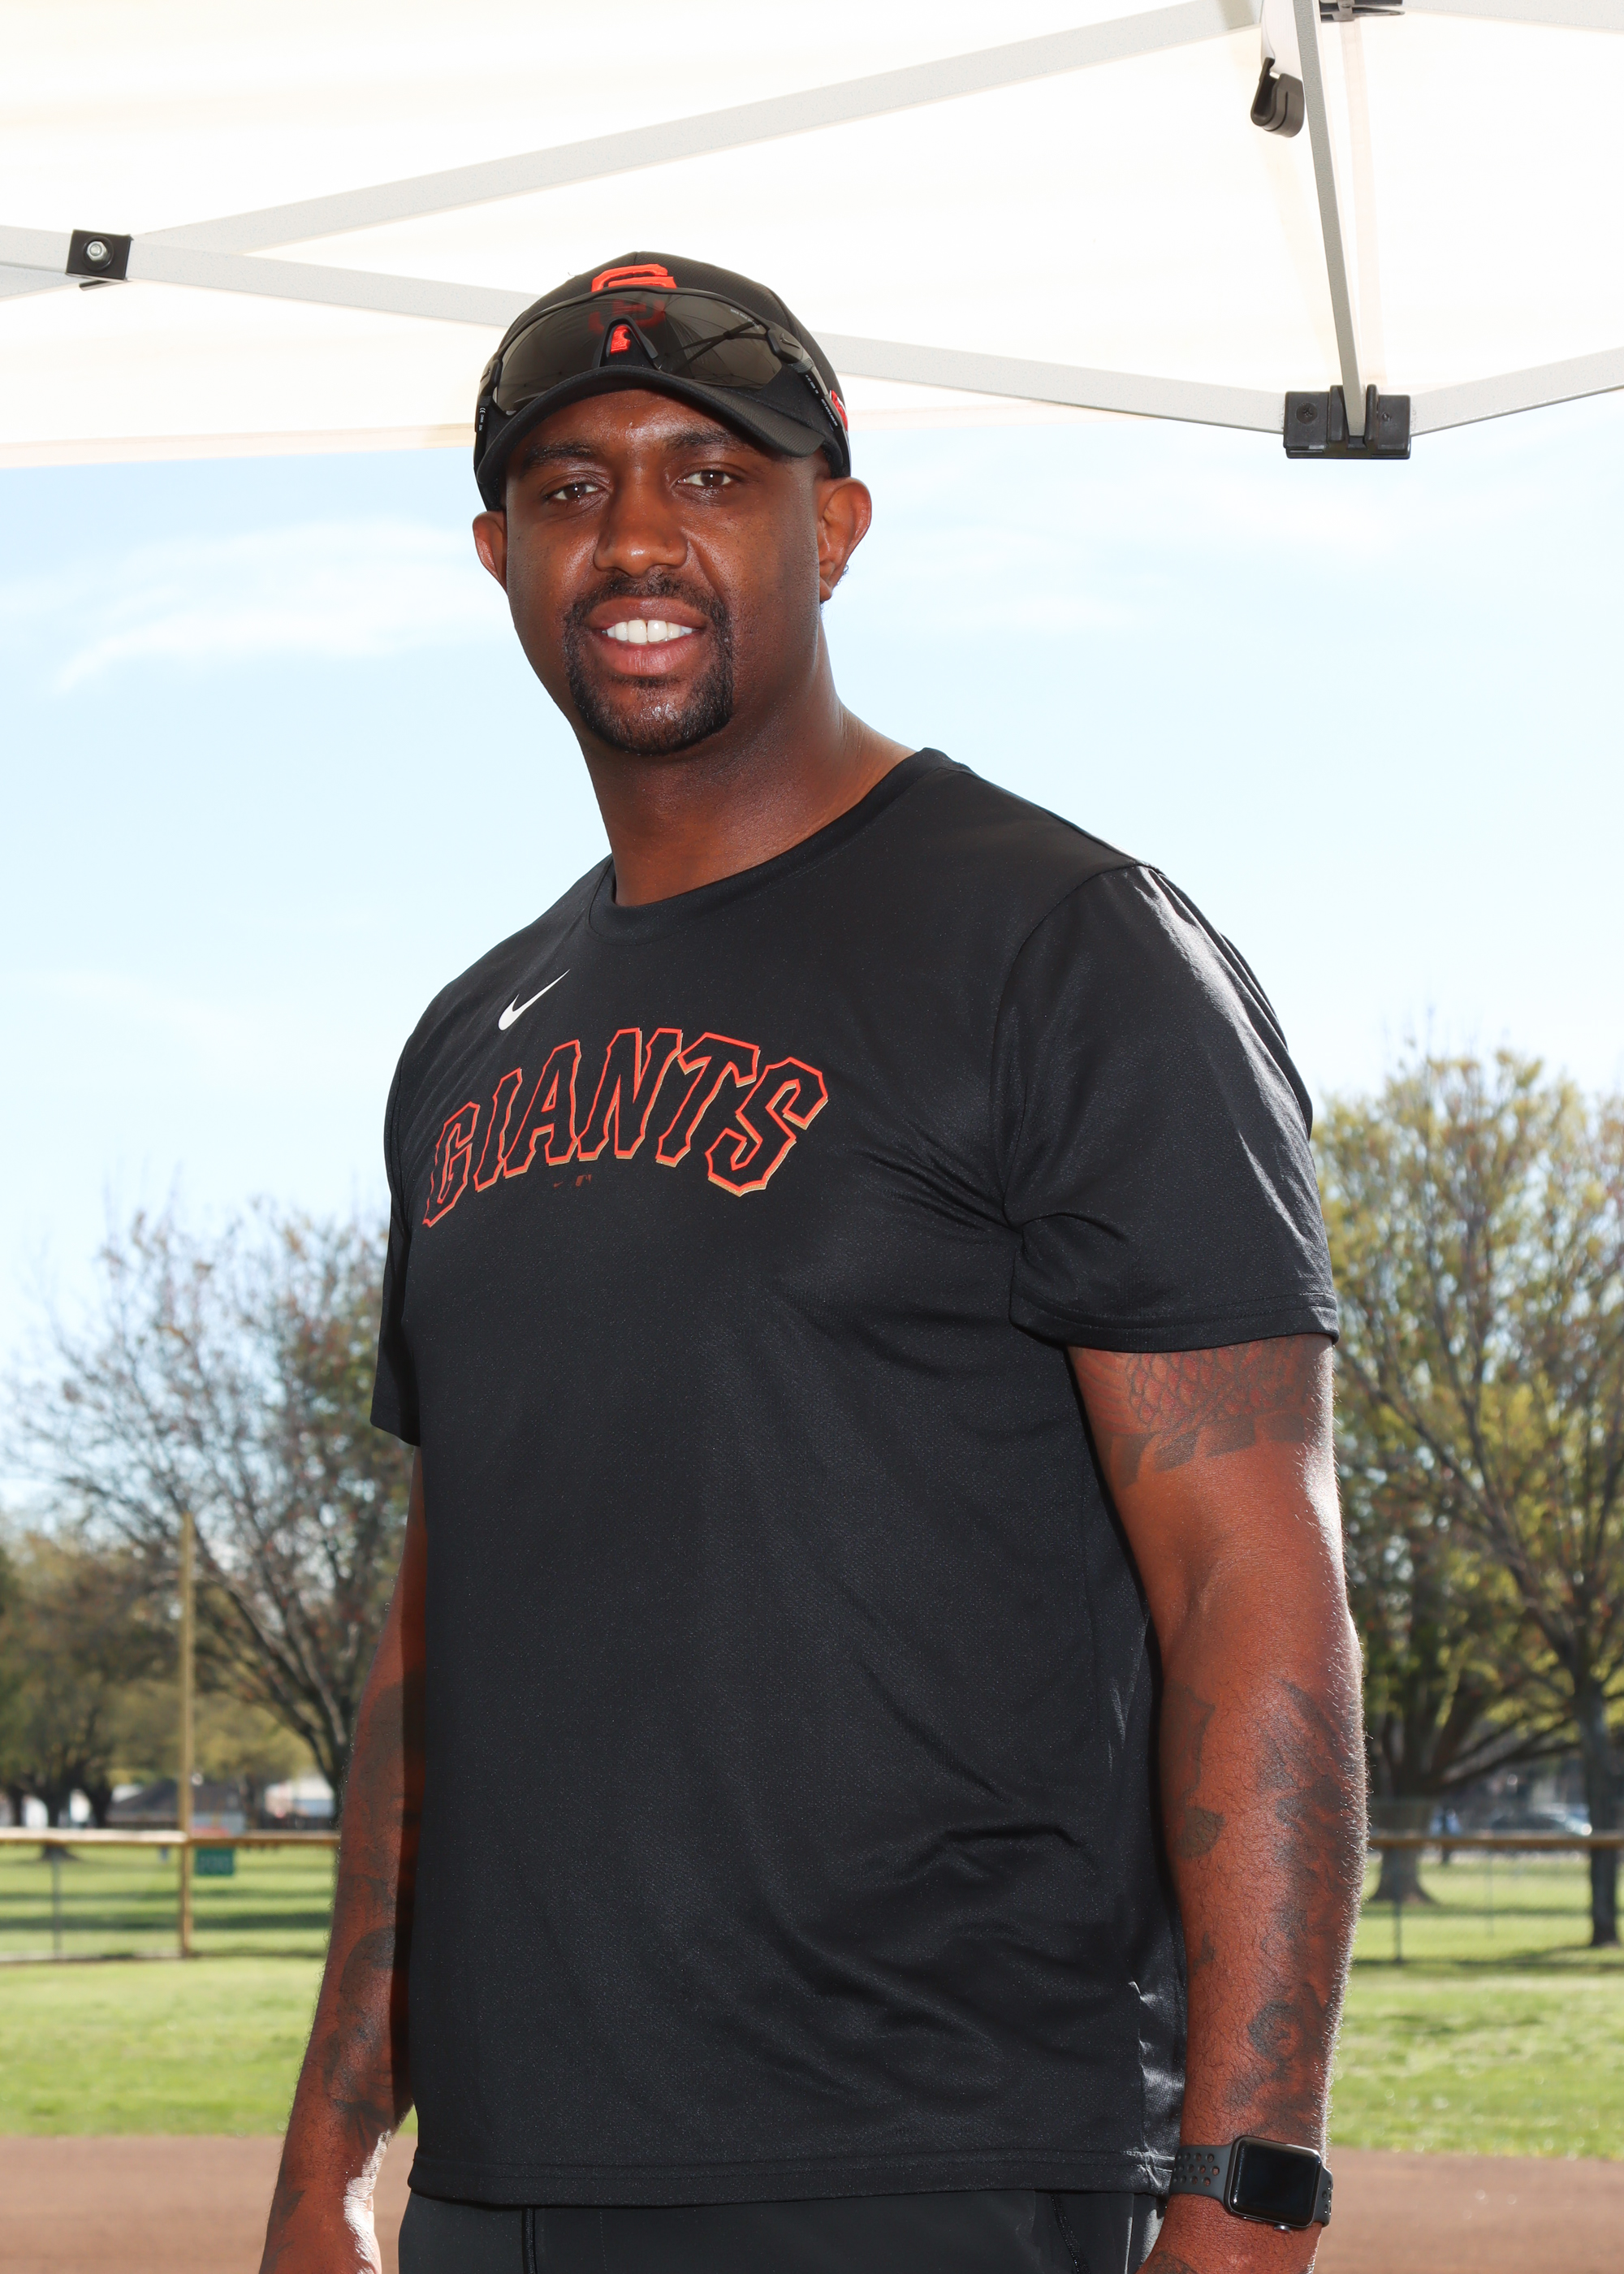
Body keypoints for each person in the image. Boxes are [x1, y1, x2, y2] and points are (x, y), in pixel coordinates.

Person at [261, 252, 1365, 2274]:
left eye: (711, 474)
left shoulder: (1064, 947)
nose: (636, 537)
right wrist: (329, 2151)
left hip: (926, 2162)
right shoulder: (463, 1040)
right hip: (507, 2179)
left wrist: (1250, 2195)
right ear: (500, 555)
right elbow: (438, 1629)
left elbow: (1249, 1581)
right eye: (571, 488)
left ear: (833, 527)